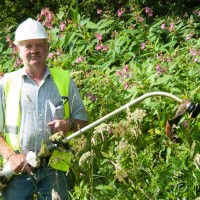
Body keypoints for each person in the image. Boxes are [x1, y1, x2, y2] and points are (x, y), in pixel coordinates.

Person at [0, 18, 88, 200]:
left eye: (39, 45)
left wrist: (68, 124)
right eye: (28, 45)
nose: (34, 50)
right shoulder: (7, 83)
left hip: (55, 169)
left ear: (47, 48)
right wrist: (11, 157)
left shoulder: (64, 80)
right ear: (18, 50)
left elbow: (82, 121)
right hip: (18, 171)